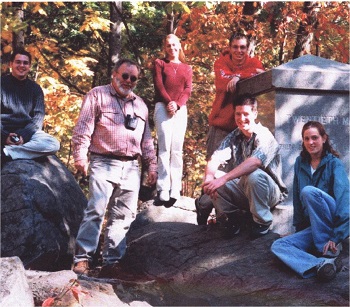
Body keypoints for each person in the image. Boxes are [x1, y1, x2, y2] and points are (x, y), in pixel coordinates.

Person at [72, 59, 158, 277]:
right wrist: (80, 156)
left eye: (133, 78)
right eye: (125, 76)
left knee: (123, 216)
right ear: (114, 74)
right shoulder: (97, 95)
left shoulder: (140, 105)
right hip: (103, 161)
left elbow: (146, 139)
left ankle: (112, 261)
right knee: (96, 211)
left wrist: (152, 167)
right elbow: (83, 127)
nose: (128, 81)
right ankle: (82, 259)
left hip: (131, 166)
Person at [201, 94, 288, 239]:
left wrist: (224, 179)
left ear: (255, 113)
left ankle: (262, 222)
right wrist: (209, 178)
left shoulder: (265, 136)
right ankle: (232, 217)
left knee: (253, 174)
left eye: (246, 114)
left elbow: (255, 162)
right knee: (214, 176)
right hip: (245, 189)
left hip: (269, 193)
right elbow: (215, 158)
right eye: (238, 114)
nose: (241, 119)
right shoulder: (234, 135)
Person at [271, 121, 349, 282]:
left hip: (332, 223)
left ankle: (326, 249)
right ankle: (322, 264)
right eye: (306, 139)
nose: (311, 142)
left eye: (315, 138)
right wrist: (298, 230)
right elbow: (298, 203)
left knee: (309, 192)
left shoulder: (334, 164)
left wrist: (336, 236)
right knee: (278, 246)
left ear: (324, 138)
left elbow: (345, 201)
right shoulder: (301, 163)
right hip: (314, 227)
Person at [207, 33, 264, 160]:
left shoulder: (254, 63)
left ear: (248, 49)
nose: (239, 51)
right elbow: (224, 84)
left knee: (240, 172)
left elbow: (262, 76)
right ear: (230, 48)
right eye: (235, 47)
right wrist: (247, 75)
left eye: (242, 47)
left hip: (244, 127)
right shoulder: (221, 63)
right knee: (216, 167)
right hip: (221, 125)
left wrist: (238, 76)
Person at [153, 34, 192, 207]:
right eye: (168, 45)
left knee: (177, 149)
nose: (172, 48)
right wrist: (169, 103)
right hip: (163, 107)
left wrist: (177, 104)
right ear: (165, 47)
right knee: (164, 148)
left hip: (180, 109)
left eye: (174, 45)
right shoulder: (159, 64)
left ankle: (175, 188)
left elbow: (187, 89)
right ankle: (163, 188)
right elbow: (159, 85)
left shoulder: (187, 67)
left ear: (179, 45)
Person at [1, 49, 60, 162]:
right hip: (2, 129)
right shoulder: (1, 84)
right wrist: (4, 136)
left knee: (53, 144)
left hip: (27, 132)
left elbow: (38, 118)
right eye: (18, 62)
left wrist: (23, 135)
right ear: (11, 64)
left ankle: (7, 153)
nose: (21, 65)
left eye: (25, 63)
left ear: (29, 66)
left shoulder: (35, 89)